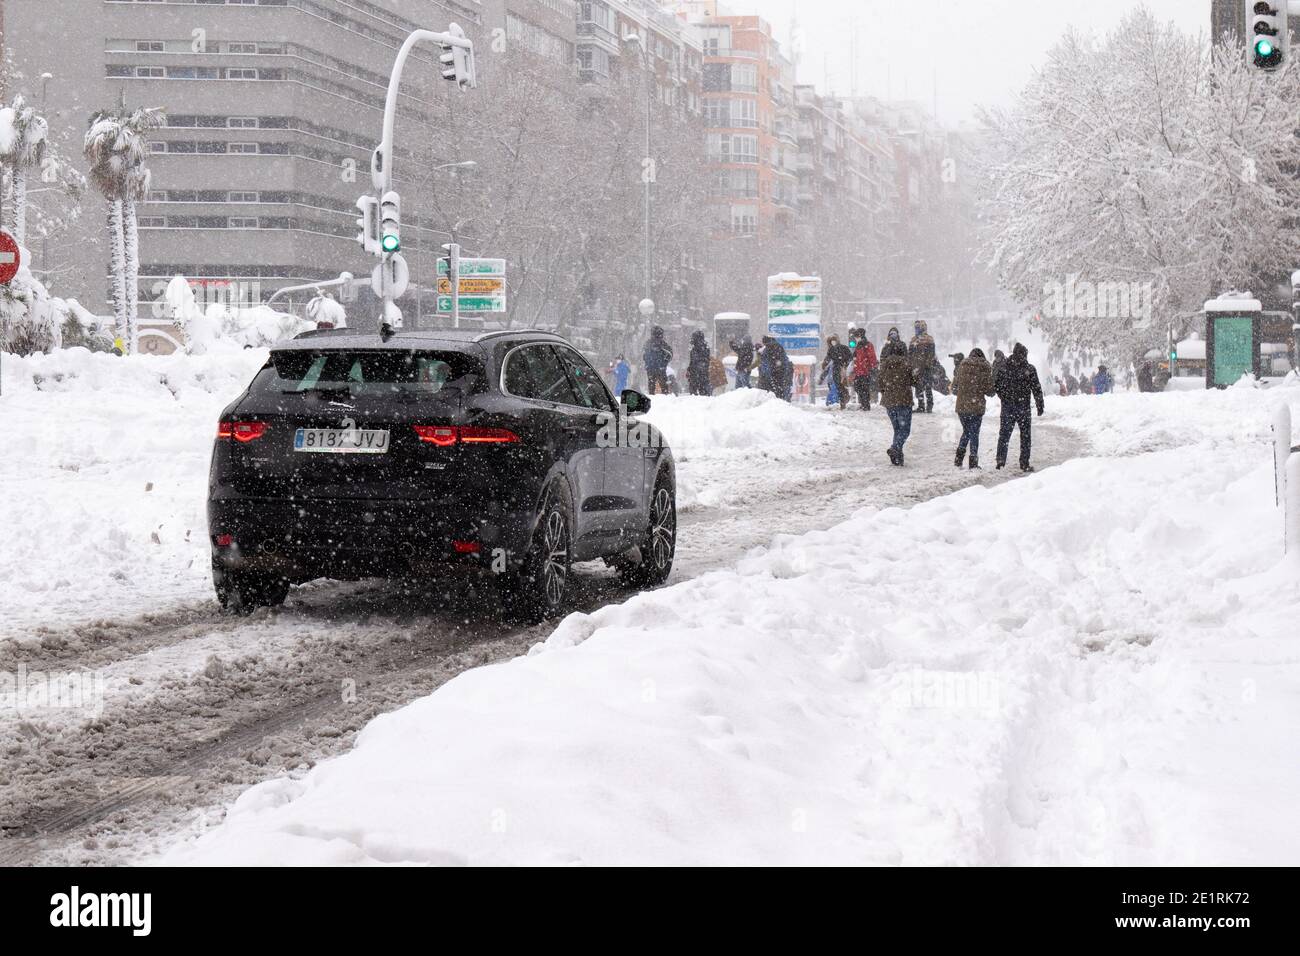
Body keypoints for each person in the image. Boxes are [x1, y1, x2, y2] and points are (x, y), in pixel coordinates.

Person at [993, 342, 1045, 473]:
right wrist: (1040, 405)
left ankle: (1000, 459)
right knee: (1025, 436)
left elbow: (997, 386)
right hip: (1023, 407)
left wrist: (1004, 398)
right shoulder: (1029, 369)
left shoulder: (1004, 367)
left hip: (1008, 407)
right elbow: (1036, 388)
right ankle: (1024, 463)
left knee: (1004, 434)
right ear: (1023, 355)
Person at [952, 348, 995, 470]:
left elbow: (954, 388)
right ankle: (973, 461)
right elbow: (989, 390)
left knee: (966, 431)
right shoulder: (984, 367)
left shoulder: (962, 366)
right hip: (976, 406)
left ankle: (958, 459)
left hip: (961, 407)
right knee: (974, 433)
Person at [880, 335, 914, 466]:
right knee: (904, 430)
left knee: (897, 430)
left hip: (889, 402)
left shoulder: (884, 365)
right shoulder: (907, 364)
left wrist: (886, 393)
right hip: (904, 400)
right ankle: (895, 448)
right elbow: (914, 381)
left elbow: (880, 383)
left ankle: (897, 457)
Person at [908, 320, 937, 413]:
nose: (916, 330)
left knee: (927, 387)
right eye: (915, 328)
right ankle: (921, 406)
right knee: (919, 387)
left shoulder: (929, 339)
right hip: (917, 368)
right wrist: (912, 366)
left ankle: (929, 406)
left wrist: (926, 365)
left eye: (918, 328)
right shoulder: (913, 340)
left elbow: (931, 354)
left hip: (926, 368)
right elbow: (910, 354)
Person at [820, 334, 853, 410]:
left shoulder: (835, 349)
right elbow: (850, 357)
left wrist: (844, 364)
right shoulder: (840, 348)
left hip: (839, 369)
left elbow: (827, 360)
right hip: (840, 369)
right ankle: (843, 400)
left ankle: (843, 400)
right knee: (840, 386)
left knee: (839, 386)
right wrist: (845, 363)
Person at [851, 328, 878, 411]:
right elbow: (856, 359)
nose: (856, 338)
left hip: (865, 371)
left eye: (857, 336)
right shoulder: (858, 346)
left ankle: (866, 405)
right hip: (858, 371)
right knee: (858, 387)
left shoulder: (868, 345)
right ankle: (863, 404)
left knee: (864, 389)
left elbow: (872, 357)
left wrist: (871, 367)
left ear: (861, 336)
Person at [761, 336, 793, 401]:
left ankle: (778, 402)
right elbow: (784, 360)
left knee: (774, 391)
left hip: (774, 373)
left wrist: (766, 373)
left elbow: (765, 363)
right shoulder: (779, 347)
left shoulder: (768, 349)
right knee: (783, 390)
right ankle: (783, 402)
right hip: (782, 372)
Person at [643, 327, 672, 396]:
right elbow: (670, 354)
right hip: (660, 368)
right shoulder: (663, 343)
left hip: (651, 368)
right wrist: (664, 363)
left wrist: (647, 364)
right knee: (664, 386)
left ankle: (652, 399)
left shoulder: (648, 343)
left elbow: (644, 355)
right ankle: (665, 398)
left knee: (651, 386)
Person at [687, 330, 712, 396]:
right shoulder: (705, 347)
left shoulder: (697, 348)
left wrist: (690, 370)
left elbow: (694, 361)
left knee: (694, 394)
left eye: (693, 337)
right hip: (702, 374)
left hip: (697, 374)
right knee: (704, 393)